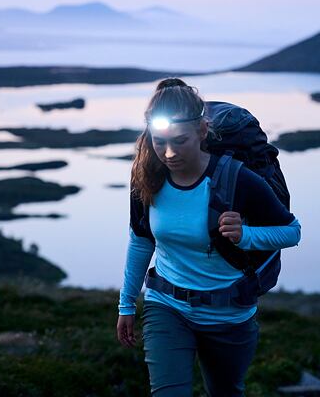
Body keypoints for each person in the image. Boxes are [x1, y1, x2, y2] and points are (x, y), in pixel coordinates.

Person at [117, 78, 301, 397]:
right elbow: (141, 239)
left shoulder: (237, 179)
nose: (169, 153)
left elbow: (291, 232)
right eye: (159, 141)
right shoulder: (148, 178)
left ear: (202, 132)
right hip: (167, 306)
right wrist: (126, 303)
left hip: (228, 314)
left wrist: (246, 236)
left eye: (180, 140)